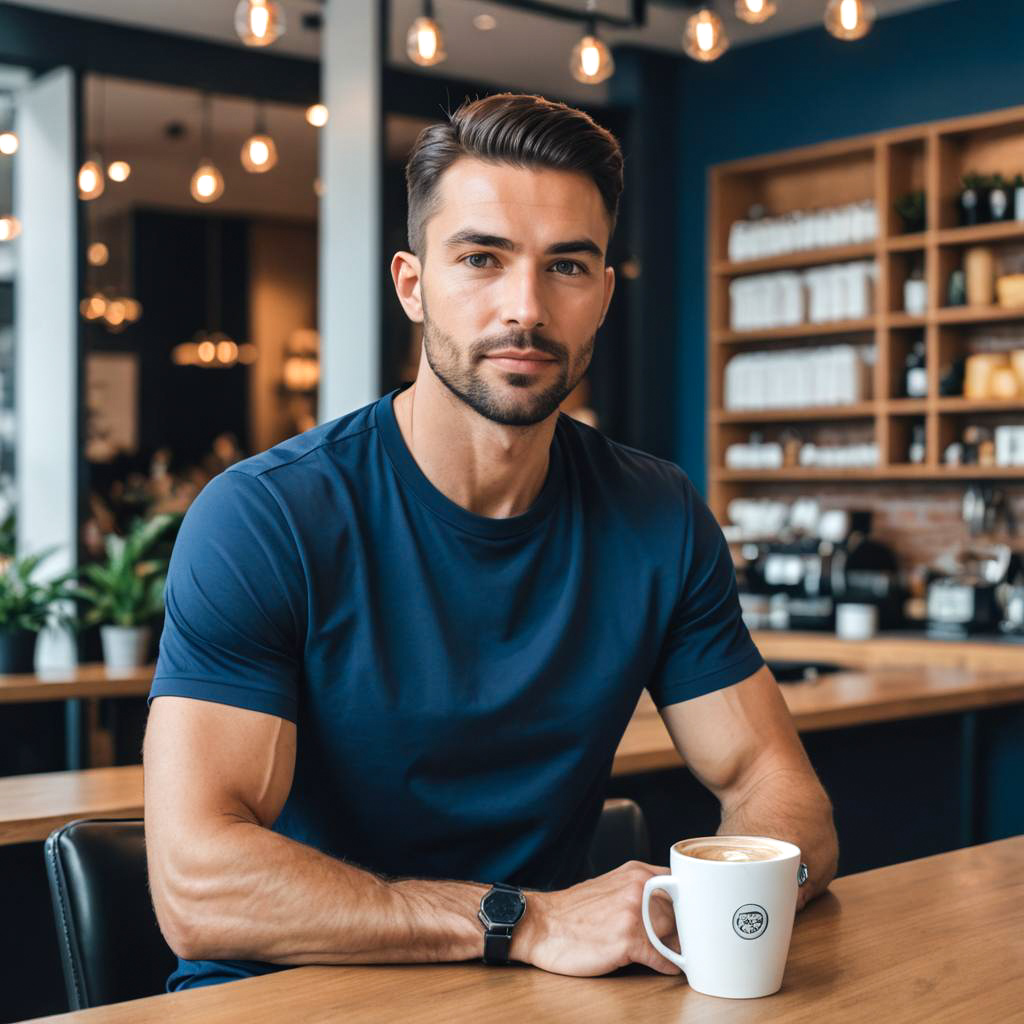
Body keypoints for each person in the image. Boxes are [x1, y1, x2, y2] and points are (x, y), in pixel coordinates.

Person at [144, 92, 838, 990]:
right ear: (412, 284)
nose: (527, 307)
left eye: (568, 267)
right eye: (481, 258)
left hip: (540, 992)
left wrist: (719, 908)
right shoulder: (266, 517)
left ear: (602, 297)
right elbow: (199, 890)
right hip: (290, 993)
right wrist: (528, 918)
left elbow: (784, 798)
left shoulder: (657, 514)